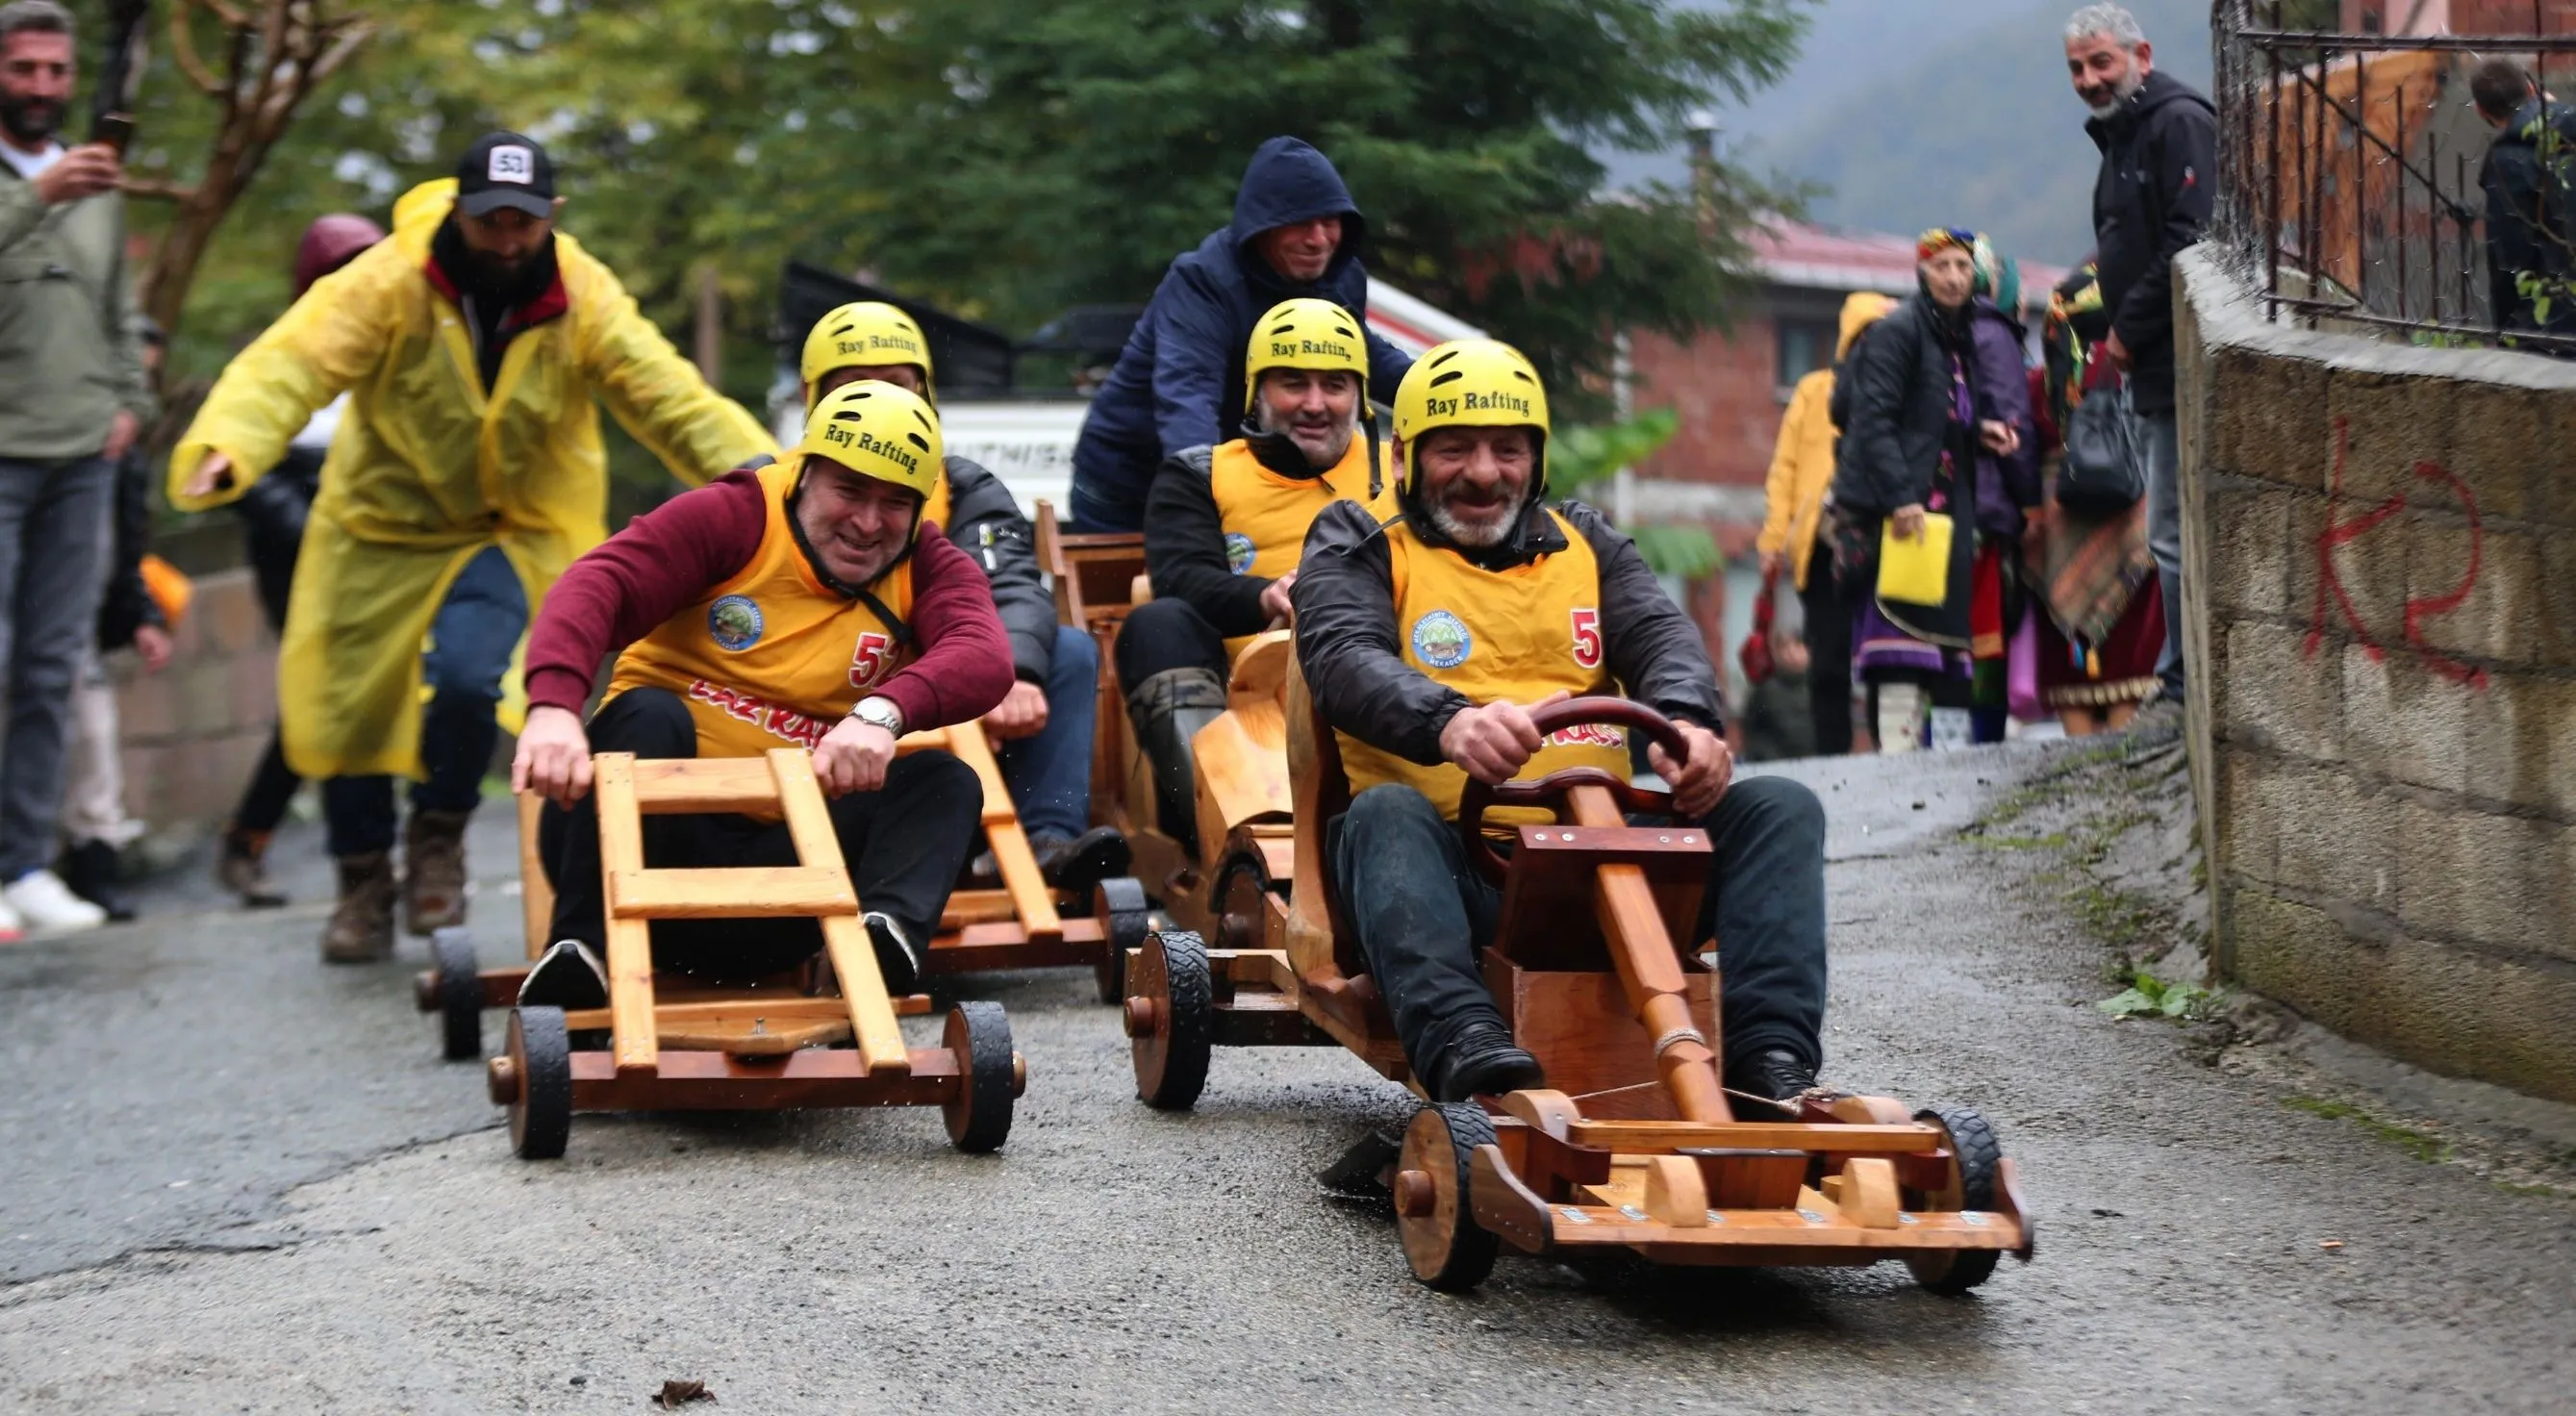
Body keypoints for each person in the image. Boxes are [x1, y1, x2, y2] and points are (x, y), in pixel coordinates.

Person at [168, 133, 774, 963]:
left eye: (523, 222)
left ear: (550, 217)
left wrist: (761, 477)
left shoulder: (580, 291)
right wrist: (229, 444)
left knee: (466, 678)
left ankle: (439, 832)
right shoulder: (388, 279)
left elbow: (666, 393)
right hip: (383, 525)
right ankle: (361, 883)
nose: (506, 238)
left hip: (513, 528)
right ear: (458, 209)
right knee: (344, 708)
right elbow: (291, 363)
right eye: (489, 219)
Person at [1293, 339, 1831, 1111]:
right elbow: (1341, 657)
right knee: (1382, 815)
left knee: (1781, 807)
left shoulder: (1587, 540)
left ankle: (1768, 1064)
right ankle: (1467, 1049)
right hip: (1454, 879)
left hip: (1602, 862)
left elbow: (1661, 636)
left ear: (1536, 458)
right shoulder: (1358, 538)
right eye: (1455, 450)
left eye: (1507, 450)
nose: (1484, 473)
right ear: (1406, 454)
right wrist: (1450, 724)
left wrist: (1689, 727)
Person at [510, 381, 1012, 1003]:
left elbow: (985, 655)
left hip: (791, 885)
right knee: (647, 714)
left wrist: (881, 714)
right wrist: (554, 708)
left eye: (894, 503)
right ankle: (583, 952)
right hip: (639, 857)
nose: (867, 522)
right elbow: (598, 584)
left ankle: (873, 950)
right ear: (804, 475)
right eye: (849, 491)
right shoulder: (736, 514)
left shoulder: (927, 562)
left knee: (945, 779)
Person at [797, 301, 1127, 891]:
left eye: (897, 387)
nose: (880, 402)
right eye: (854, 387)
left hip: (952, 685)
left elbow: (1011, 584)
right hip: (823, 690)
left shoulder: (966, 486)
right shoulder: (767, 484)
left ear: (927, 397)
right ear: (812, 400)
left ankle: (1045, 838)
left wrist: (1016, 673)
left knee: (1070, 651)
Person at [1115, 297, 1390, 856]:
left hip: (1377, 687)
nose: (1315, 405)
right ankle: (1227, 836)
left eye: (1334, 385)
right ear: (1258, 393)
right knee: (1157, 621)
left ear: (1359, 395)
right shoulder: (1199, 474)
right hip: (1240, 704)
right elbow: (1182, 578)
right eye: (1294, 384)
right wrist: (1268, 595)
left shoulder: (1403, 471)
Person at [0, 0, 156, 937]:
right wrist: (38, 195)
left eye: (56, 70)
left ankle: (25, 865)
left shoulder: (97, 184)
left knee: (54, 666)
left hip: (80, 456)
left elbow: (118, 305)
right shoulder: (58, 183)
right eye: (25, 69)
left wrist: (130, 403)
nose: (44, 87)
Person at [1066, 137, 1413, 532]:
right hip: (1129, 481)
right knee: (1157, 590)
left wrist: (1457, 396)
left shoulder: (1341, 277)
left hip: (1240, 478)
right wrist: (1196, 491)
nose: (1318, 240)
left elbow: (1368, 359)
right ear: (1262, 226)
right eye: (1301, 222)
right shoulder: (1204, 282)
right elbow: (1188, 395)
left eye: (1330, 222)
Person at [212, 212, 386, 909]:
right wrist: (304, 524)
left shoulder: (394, 351)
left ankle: (371, 856)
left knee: (370, 695)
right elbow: (229, 463)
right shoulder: (276, 357)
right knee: (322, 699)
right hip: (297, 555)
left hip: (380, 552)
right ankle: (257, 842)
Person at [1831, 230, 2035, 753]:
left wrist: (1979, 432)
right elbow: (1872, 422)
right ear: (1922, 272)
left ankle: (1908, 754)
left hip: (1943, 510)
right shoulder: (1898, 332)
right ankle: (1898, 756)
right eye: (1942, 266)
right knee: (1898, 637)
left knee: (1928, 641)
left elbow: (1934, 418)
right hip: (1898, 510)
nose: (1952, 278)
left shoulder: (1954, 335)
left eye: (1963, 268)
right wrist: (1902, 498)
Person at [2067, 2, 2212, 706]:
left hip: (2179, 357)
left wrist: (2126, 328)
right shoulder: (2125, 135)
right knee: (2167, 531)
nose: (2090, 79)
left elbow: (2191, 236)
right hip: (2154, 363)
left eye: (2102, 62)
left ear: (2141, 57)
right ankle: (2180, 670)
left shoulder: (2177, 123)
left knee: (2175, 529)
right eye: (2078, 68)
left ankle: (2184, 680)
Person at [57, 316, 177, 922]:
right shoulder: (53, 432)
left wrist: (141, 613)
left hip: (83, 613)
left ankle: (94, 863)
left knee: (94, 733)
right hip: (43, 608)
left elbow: (127, 547)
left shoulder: (127, 455)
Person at [2026, 259, 2165, 735]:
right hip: (2130, 522)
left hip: (2057, 529)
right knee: (2129, 662)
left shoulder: (2041, 384)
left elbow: (2026, 443)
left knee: (2069, 651)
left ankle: (2078, 758)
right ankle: (2120, 766)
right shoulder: (2135, 369)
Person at [1758, 291, 1890, 756]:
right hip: (1821, 547)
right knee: (1829, 661)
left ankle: (1886, 749)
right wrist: (1775, 538)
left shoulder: (1901, 391)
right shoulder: (1814, 390)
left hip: (1883, 544)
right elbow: (1785, 468)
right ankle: (1832, 760)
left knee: (1884, 653)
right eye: (1867, 335)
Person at [2470, 59, 2576, 340]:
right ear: (2532, 89)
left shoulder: (2507, 163)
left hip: (2553, 328)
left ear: (2481, 110)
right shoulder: (2570, 131)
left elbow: (2509, 261)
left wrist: (2508, 334)